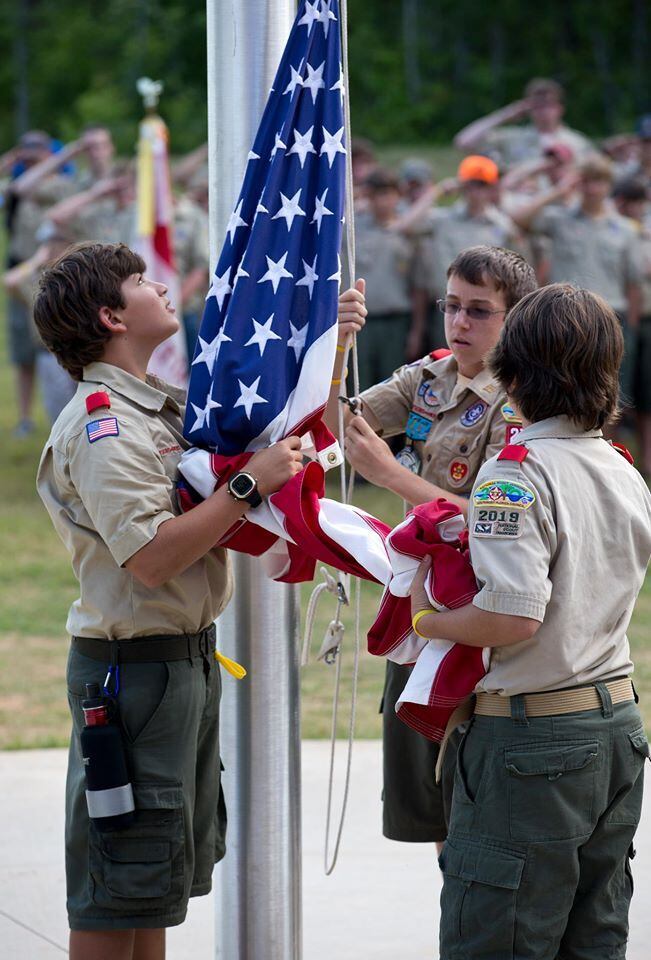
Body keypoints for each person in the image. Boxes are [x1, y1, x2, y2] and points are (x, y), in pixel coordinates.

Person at [34, 242, 304, 960]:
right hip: (133, 674)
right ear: (110, 316)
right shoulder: (106, 424)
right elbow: (152, 558)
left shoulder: (152, 407)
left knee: (152, 880)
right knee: (114, 877)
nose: (160, 285)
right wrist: (246, 488)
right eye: (140, 280)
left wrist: (323, 336)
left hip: (176, 665)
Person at [409, 283, 651, 959]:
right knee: (591, 935)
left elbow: (511, 616)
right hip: (614, 726)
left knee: (497, 935)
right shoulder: (620, 467)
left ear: (512, 370)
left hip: (533, 742)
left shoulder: (510, 474)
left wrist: (427, 621)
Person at [327, 245, 538, 854]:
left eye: (480, 311)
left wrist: (391, 477)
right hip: (421, 607)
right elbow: (335, 419)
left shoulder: (519, 401)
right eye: (451, 307)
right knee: (430, 798)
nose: (460, 323)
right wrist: (336, 348)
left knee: (472, 800)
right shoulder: (431, 376)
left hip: (480, 615)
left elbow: (499, 519)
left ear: (514, 319)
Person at [512, 154, 642, 408]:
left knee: (606, 391)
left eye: (599, 181)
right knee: (561, 384)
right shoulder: (559, 218)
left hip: (609, 316)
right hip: (564, 314)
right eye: (586, 181)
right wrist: (558, 190)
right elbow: (518, 219)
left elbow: (633, 284)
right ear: (577, 183)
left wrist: (631, 331)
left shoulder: (625, 229)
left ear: (608, 185)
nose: (592, 189)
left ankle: (604, 445)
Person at [410, 156, 521, 351]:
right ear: (462, 186)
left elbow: (515, 272)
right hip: (447, 307)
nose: (476, 192)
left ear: (491, 188)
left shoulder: (502, 226)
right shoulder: (442, 219)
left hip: (485, 312)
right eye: (470, 185)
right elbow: (407, 226)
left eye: (482, 185)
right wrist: (437, 191)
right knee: (443, 365)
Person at [353, 167, 420, 385]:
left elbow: (418, 285)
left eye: (387, 195)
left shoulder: (409, 231)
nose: (382, 202)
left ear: (397, 196)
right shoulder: (354, 228)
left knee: (392, 384)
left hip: (396, 320)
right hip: (361, 320)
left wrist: (416, 331)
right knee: (358, 382)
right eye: (375, 196)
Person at [454, 77, 592, 169]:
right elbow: (464, 142)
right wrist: (505, 115)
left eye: (549, 104)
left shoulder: (577, 142)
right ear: (528, 107)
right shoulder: (514, 137)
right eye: (537, 104)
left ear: (560, 108)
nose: (543, 110)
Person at [613, 177, 651, 477]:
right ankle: (616, 451)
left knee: (643, 394)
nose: (633, 208)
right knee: (618, 393)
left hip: (641, 322)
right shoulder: (618, 233)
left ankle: (645, 458)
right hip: (624, 321)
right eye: (629, 201)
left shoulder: (640, 233)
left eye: (639, 201)